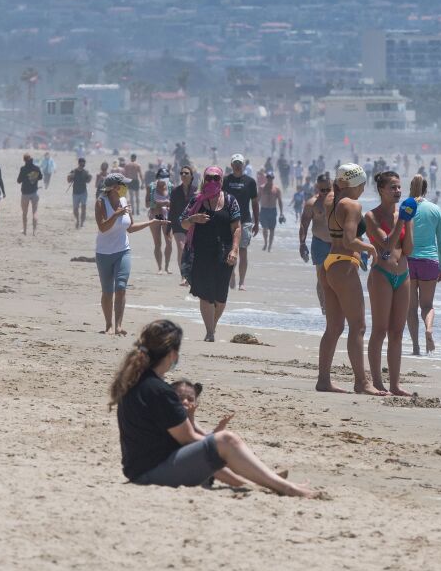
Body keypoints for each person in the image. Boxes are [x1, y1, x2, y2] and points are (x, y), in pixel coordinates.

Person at [110, 319, 319, 497]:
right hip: (151, 473)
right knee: (227, 441)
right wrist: (230, 448)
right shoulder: (159, 391)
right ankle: (287, 488)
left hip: (142, 468)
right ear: (172, 354)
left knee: (219, 447)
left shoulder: (136, 383)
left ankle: (259, 480)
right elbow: (188, 438)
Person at [318, 164, 383, 395]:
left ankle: (323, 380)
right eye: (363, 185)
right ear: (357, 184)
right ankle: (361, 382)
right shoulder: (352, 204)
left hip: (328, 264)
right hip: (344, 265)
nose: (363, 190)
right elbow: (349, 240)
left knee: (334, 327)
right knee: (358, 326)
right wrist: (370, 248)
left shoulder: (331, 200)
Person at [365, 171, 415, 396]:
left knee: (397, 332)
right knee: (380, 329)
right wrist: (402, 220)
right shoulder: (371, 217)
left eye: (399, 187)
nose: (398, 191)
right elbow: (386, 246)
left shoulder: (403, 215)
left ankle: (395, 383)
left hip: (403, 274)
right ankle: (377, 381)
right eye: (393, 187)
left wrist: (408, 221)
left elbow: (408, 249)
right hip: (381, 274)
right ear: (381, 190)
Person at [95, 173, 161, 335]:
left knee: (121, 288)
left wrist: (151, 223)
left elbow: (130, 228)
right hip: (104, 253)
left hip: (123, 250)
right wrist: (116, 214)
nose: (126, 187)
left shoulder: (124, 201)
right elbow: (103, 227)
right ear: (114, 187)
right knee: (107, 291)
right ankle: (108, 325)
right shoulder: (100, 202)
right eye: (123, 184)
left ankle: (118, 325)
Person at [180, 166, 241, 342]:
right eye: (209, 178)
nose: (212, 181)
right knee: (205, 294)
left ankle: (211, 326)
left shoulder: (230, 201)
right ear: (203, 180)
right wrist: (193, 219)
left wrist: (234, 250)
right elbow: (182, 223)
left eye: (216, 178)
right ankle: (210, 332)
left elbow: (236, 227)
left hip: (225, 253)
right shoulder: (196, 201)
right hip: (201, 253)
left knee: (220, 297)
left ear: (221, 181)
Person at [406, 174, 441, 355]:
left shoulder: (406, 207)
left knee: (411, 308)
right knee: (427, 305)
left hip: (408, 261)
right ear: (426, 189)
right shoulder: (435, 209)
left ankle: (415, 347)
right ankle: (428, 329)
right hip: (429, 260)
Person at [222, 154, 259, 291]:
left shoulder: (250, 182)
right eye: (235, 163)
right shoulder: (225, 180)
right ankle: (231, 275)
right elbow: (220, 200)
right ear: (231, 165)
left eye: (240, 163)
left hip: (245, 221)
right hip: (228, 220)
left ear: (243, 165)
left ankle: (242, 282)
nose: (237, 165)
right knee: (230, 250)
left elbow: (255, 203)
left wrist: (256, 222)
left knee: (242, 250)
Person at [298, 174, 333, 313]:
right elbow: (304, 224)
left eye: (328, 189)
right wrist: (302, 244)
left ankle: (337, 307)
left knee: (339, 276)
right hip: (319, 243)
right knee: (321, 277)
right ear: (317, 188)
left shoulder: (339, 201)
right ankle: (325, 308)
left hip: (336, 243)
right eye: (322, 190)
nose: (325, 193)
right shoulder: (312, 203)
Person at [171, 164, 196, 287]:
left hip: (192, 225)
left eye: (186, 173)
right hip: (178, 224)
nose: (184, 175)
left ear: (192, 176)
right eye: (182, 173)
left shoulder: (196, 192)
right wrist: (168, 227)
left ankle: (190, 275)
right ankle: (183, 276)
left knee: (191, 251)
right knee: (181, 247)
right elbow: (172, 210)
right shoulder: (175, 191)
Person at [147, 168, 173, 274]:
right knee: (157, 243)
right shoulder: (151, 187)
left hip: (167, 216)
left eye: (165, 178)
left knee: (169, 242)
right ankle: (160, 268)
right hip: (155, 215)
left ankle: (167, 267)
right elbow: (147, 203)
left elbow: (173, 203)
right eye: (161, 178)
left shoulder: (171, 187)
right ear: (157, 178)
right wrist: (161, 203)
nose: (163, 180)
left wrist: (169, 204)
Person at [258, 171, 283, 252]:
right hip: (264, 210)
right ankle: (265, 243)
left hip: (273, 210)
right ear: (266, 178)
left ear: (273, 178)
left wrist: (281, 213)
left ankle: (269, 246)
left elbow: (280, 201)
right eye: (268, 178)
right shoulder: (261, 188)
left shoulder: (276, 189)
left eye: (271, 178)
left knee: (272, 229)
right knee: (264, 228)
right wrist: (254, 212)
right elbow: (257, 200)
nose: (270, 179)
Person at [17, 153, 42, 236]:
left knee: (24, 213)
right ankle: (34, 232)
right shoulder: (36, 168)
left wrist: (26, 177)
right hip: (34, 193)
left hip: (25, 193)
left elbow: (19, 181)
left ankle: (25, 231)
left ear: (24, 160)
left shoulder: (23, 169)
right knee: (34, 212)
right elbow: (40, 177)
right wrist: (33, 177)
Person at [67, 157, 92, 229]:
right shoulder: (74, 171)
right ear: (79, 163)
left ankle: (82, 223)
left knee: (83, 208)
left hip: (83, 192)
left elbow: (88, 181)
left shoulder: (85, 172)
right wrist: (70, 176)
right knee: (75, 209)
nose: (82, 165)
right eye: (81, 163)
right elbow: (68, 180)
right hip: (75, 193)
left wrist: (90, 177)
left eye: (83, 164)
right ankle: (77, 220)